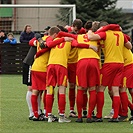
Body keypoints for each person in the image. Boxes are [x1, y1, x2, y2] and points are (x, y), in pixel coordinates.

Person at [87, 21, 132, 122]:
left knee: (100, 88)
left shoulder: (105, 33)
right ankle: (116, 116)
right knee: (115, 89)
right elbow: (129, 46)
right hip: (120, 64)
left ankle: (99, 116)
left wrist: (91, 31)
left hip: (110, 63)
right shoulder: (120, 34)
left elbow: (90, 37)